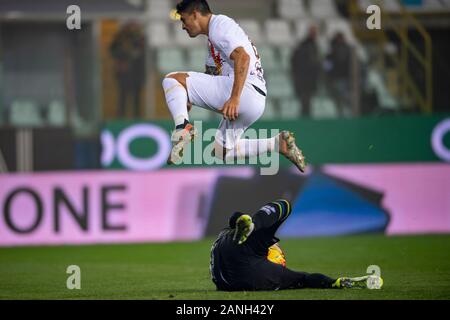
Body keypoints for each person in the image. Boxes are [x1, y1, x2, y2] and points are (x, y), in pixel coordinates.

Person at [162, 0, 306, 172]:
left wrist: (235, 98)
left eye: (183, 20)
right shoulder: (213, 39)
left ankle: (182, 128)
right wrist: (186, 95)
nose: (183, 26)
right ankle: (277, 143)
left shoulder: (219, 25)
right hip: (256, 101)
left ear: (195, 14)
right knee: (220, 152)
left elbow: (242, 57)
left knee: (171, 79)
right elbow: (212, 76)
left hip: (243, 91)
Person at [210, 199, 383, 291]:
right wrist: (333, 282)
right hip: (243, 280)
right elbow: (307, 278)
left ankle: (253, 223)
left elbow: (235, 216)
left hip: (226, 276)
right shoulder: (275, 271)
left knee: (284, 206)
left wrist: (243, 221)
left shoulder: (229, 236)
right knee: (303, 278)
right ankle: (338, 283)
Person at [110, 22, 145, 119]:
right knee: (123, 96)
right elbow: (113, 50)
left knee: (136, 98)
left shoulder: (141, 38)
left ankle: (136, 118)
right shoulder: (120, 38)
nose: (133, 28)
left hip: (137, 73)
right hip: (124, 74)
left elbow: (143, 55)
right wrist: (121, 61)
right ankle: (121, 117)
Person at [291, 25, 321, 117]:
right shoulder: (306, 45)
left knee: (307, 99)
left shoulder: (311, 45)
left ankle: (306, 114)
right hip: (305, 78)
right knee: (305, 99)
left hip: (308, 78)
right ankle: (305, 115)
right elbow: (297, 61)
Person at [325, 32, 353, 117]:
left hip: (343, 77)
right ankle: (341, 113)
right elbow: (327, 64)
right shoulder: (333, 49)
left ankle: (345, 112)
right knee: (339, 96)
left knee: (343, 95)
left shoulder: (346, 49)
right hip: (337, 77)